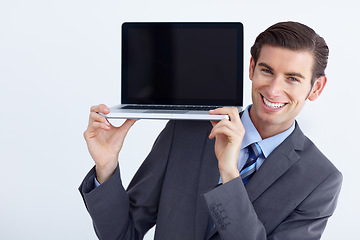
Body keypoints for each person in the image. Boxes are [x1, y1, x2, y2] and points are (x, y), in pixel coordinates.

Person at [79, 21, 342, 240]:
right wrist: (106, 167)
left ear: (316, 88)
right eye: (267, 70)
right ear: (251, 68)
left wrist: (229, 175)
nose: (273, 90)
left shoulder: (320, 180)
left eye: (292, 78)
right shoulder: (186, 132)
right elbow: (124, 235)